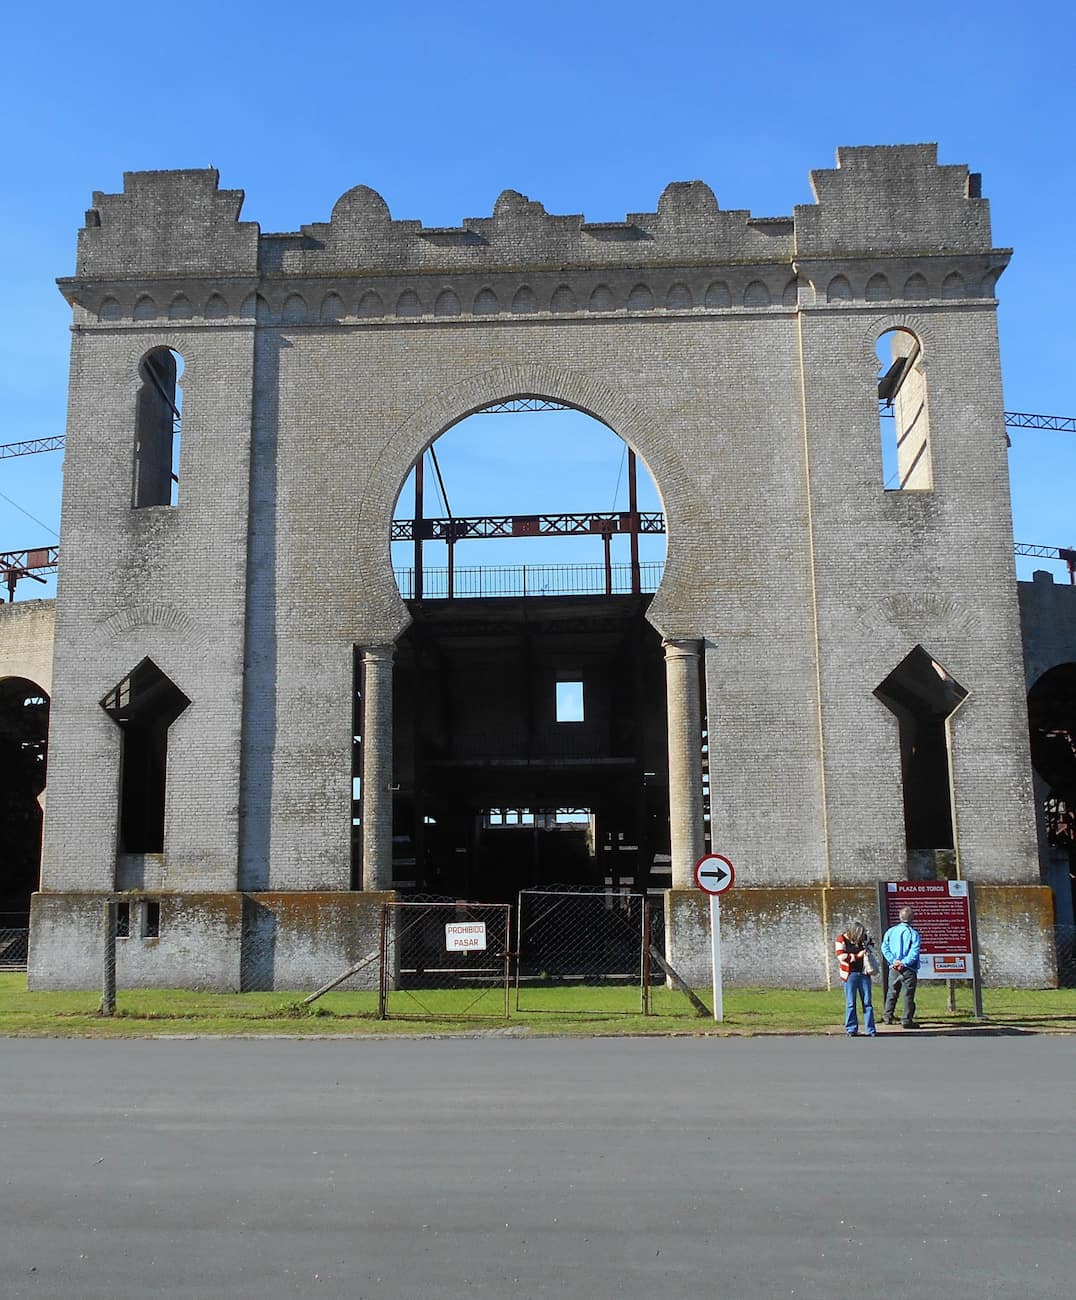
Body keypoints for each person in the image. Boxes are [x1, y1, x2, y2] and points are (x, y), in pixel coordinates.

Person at [881, 906, 922, 1028]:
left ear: (900, 917)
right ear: (912, 919)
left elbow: (884, 947)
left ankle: (888, 1016)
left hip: (894, 967)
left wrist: (894, 961)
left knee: (892, 992)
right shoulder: (913, 934)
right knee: (908, 994)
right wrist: (903, 962)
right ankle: (906, 1019)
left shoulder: (891, 931)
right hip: (909, 968)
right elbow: (914, 952)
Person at [835, 921, 877, 1037]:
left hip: (864, 973)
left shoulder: (865, 938)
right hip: (849, 974)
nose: (861, 937)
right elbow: (841, 956)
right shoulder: (841, 939)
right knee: (851, 1003)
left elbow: (872, 946)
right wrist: (857, 956)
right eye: (859, 935)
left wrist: (867, 949)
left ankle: (870, 1029)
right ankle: (851, 1028)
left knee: (867, 1002)